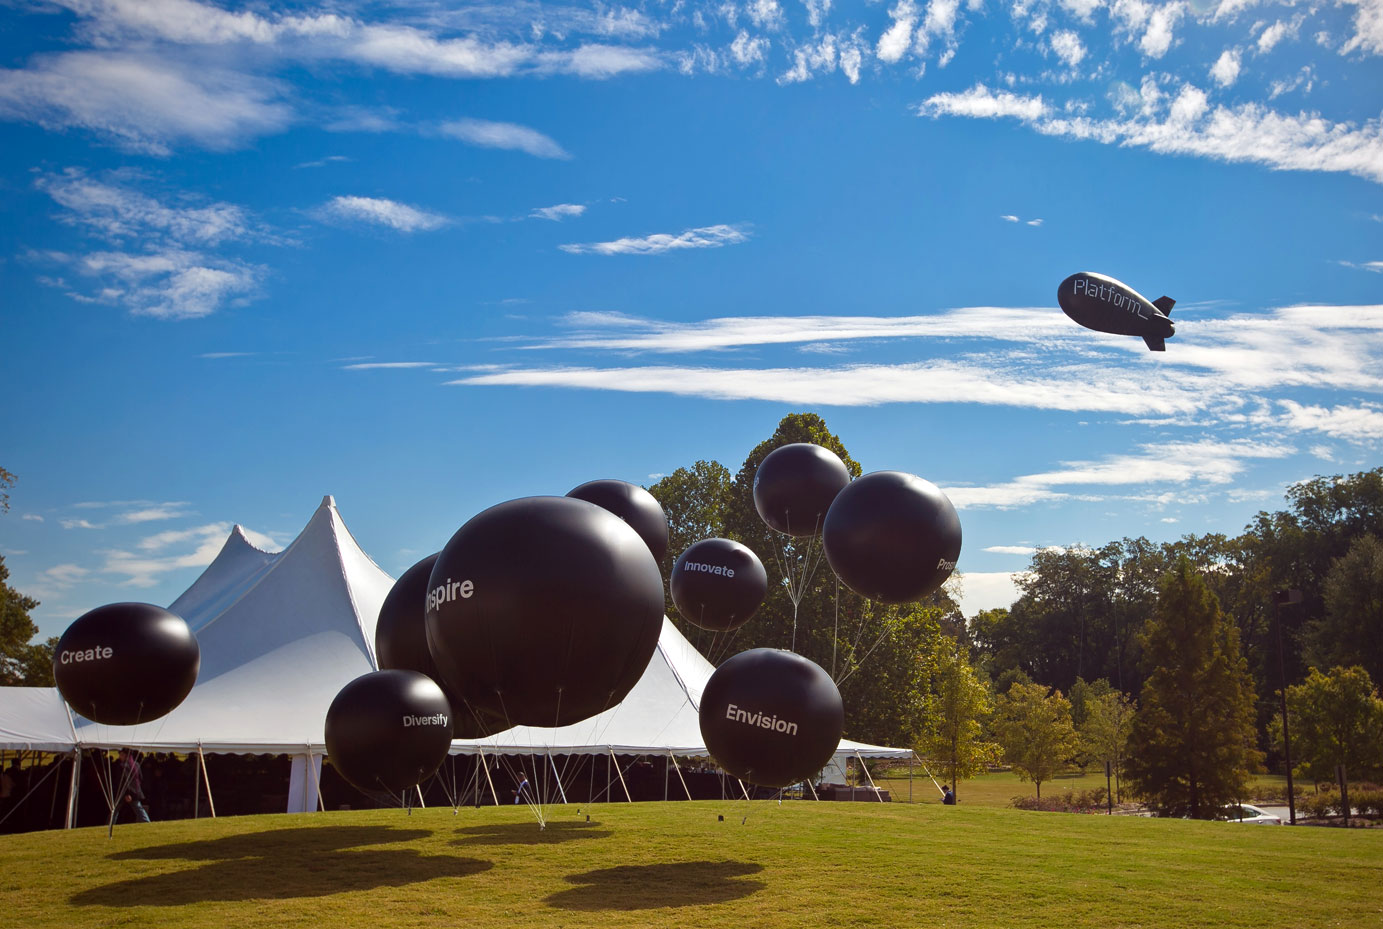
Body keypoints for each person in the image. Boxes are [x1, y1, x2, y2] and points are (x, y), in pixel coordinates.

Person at [118, 748, 151, 823]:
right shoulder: (136, 765)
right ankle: (147, 822)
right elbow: (140, 778)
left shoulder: (123, 766)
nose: (120, 757)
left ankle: (109, 823)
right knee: (139, 809)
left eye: (122, 755)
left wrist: (127, 793)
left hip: (127, 792)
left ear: (126, 755)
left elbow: (124, 781)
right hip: (135, 791)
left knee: (116, 809)